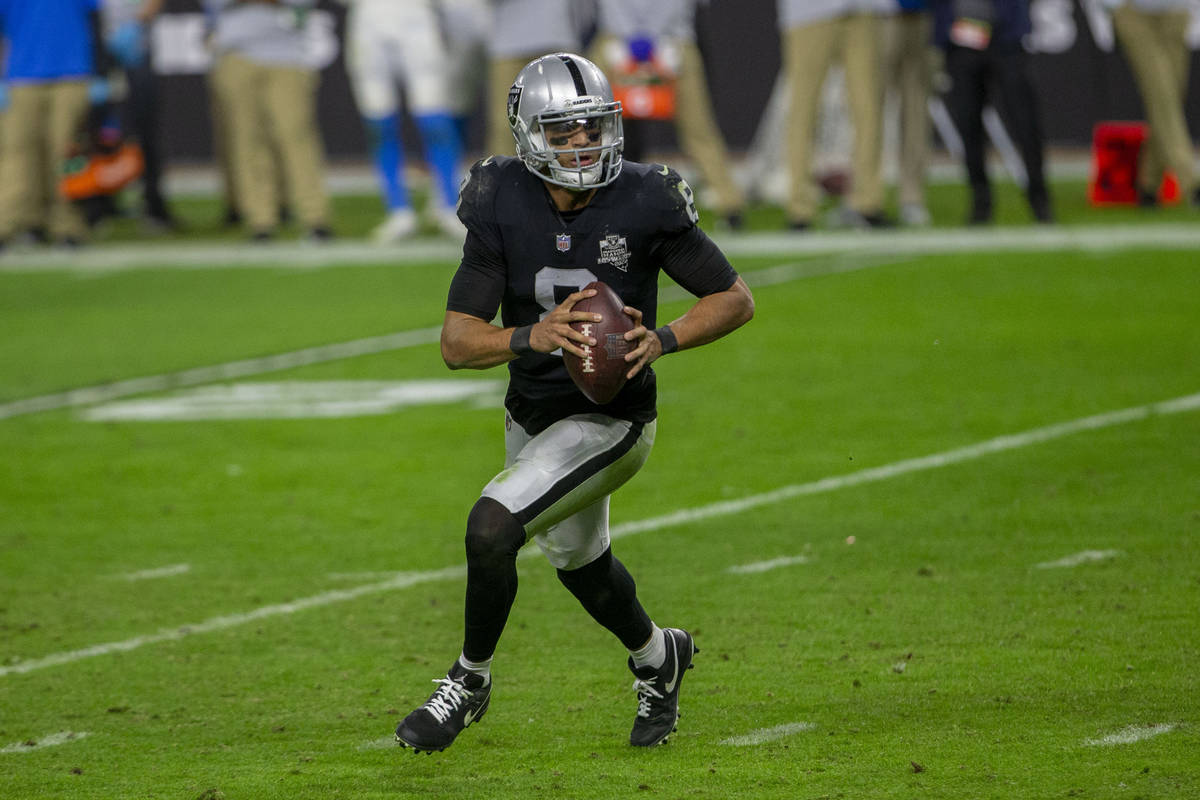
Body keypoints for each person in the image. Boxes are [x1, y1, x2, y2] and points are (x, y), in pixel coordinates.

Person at [393, 52, 754, 753]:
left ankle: (468, 683)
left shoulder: (645, 197)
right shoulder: (499, 196)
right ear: (529, 136)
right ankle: (658, 657)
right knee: (580, 564)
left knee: (492, 527)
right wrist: (533, 335)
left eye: (593, 127)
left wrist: (667, 339)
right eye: (563, 131)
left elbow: (734, 298)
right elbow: (457, 342)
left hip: (611, 417)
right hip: (531, 412)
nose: (583, 143)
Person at [592, 0, 747, 230]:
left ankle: (730, 204)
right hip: (615, 39)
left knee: (698, 128)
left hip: (673, 40)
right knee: (593, 121)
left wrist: (652, 38)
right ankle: (587, 199)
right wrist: (628, 38)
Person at [341, 0, 486, 242]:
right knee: (379, 123)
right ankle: (398, 211)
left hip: (417, 20)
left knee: (435, 121)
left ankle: (448, 205)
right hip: (368, 21)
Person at [208, 0, 333, 241]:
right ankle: (260, 221)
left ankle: (315, 218)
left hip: (287, 54)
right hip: (236, 52)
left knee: (296, 134)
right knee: (247, 139)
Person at [0, 0, 109, 250]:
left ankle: (68, 226)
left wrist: (101, 71)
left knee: (66, 154)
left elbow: (95, 22)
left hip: (73, 73)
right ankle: (15, 222)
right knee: (18, 154)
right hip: (20, 76)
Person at [932, 0, 1052, 224]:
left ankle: (1040, 199)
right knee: (968, 124)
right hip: (960, 40)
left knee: (1025, 123)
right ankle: (980, 202)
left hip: (1005, 38)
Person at [777, 0, 892, 230]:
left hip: (862, 10)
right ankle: (800, 207)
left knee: (868, 108)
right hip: (809, 11)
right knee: (803, 110)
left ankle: (867, 202)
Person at [1105, 0, 1198, 208]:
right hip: (1134, 14)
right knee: (1161, 94)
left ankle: (1148, 186)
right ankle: (1191, 181)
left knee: (1170, 101)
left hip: (1176, 13)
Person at [102, 0, 177, 230]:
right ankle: (96, 202)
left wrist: (136, 23)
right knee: (98, 133)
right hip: (94, 50)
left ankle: (153, 205)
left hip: (135, 50)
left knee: (145, 134)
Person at [484, 0, 592, 159]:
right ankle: (504, 180)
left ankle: (573, 176)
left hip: (559, 36)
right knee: (508, 123)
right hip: (509, 44)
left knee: (573, 116)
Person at [883, 0, 935, 226]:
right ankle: (863, 196)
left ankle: (912, 197)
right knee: (867, 105)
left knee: (916, 108)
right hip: (877, 15)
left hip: (923, 12)